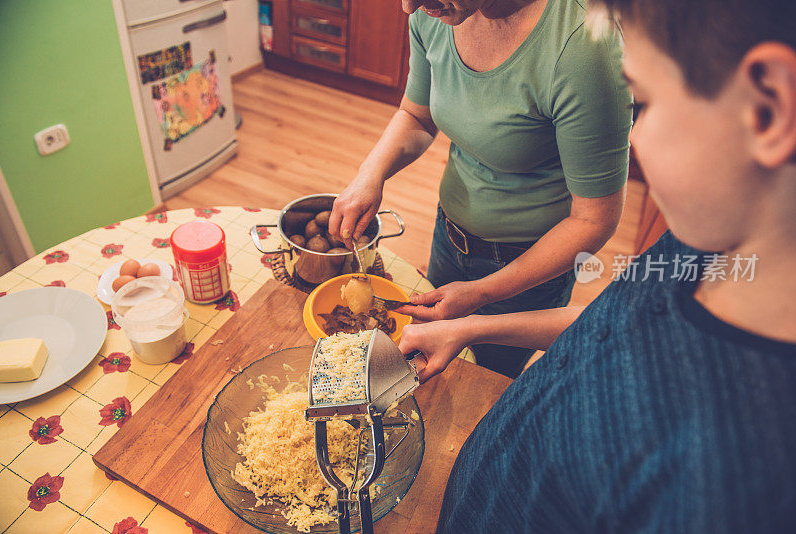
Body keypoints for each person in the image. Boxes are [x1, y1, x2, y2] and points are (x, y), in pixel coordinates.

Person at [398, 0, 796, 531]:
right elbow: (611, 321)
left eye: (645, 102)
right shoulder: (702, 247)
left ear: (767, 107)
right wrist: (473, 325)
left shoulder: (726, 488)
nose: (631, 137)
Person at [329, 0, 632, 378]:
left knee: (483, 385)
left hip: (529, 266)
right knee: (428, 371)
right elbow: (416, 114)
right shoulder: (434, 12)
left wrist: (484, 291)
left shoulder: (583, 48)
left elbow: (594, 220)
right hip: (450, 236)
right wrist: (369, 174)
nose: (409, 7)